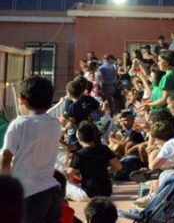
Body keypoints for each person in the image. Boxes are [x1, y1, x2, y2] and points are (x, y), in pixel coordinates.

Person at [1, 76, 62, 223]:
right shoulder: (55, 124)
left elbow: (5, 160)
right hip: (52, 192)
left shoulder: (19, 124)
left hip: (28, 194)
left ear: (22, 100)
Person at [69, 121, 122, 198]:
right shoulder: (104, 149)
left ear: (78, 137)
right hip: (106, 190)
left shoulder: (79, 154)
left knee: (66, 185)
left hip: (89, 192)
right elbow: (119, 167)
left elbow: (68, 176)